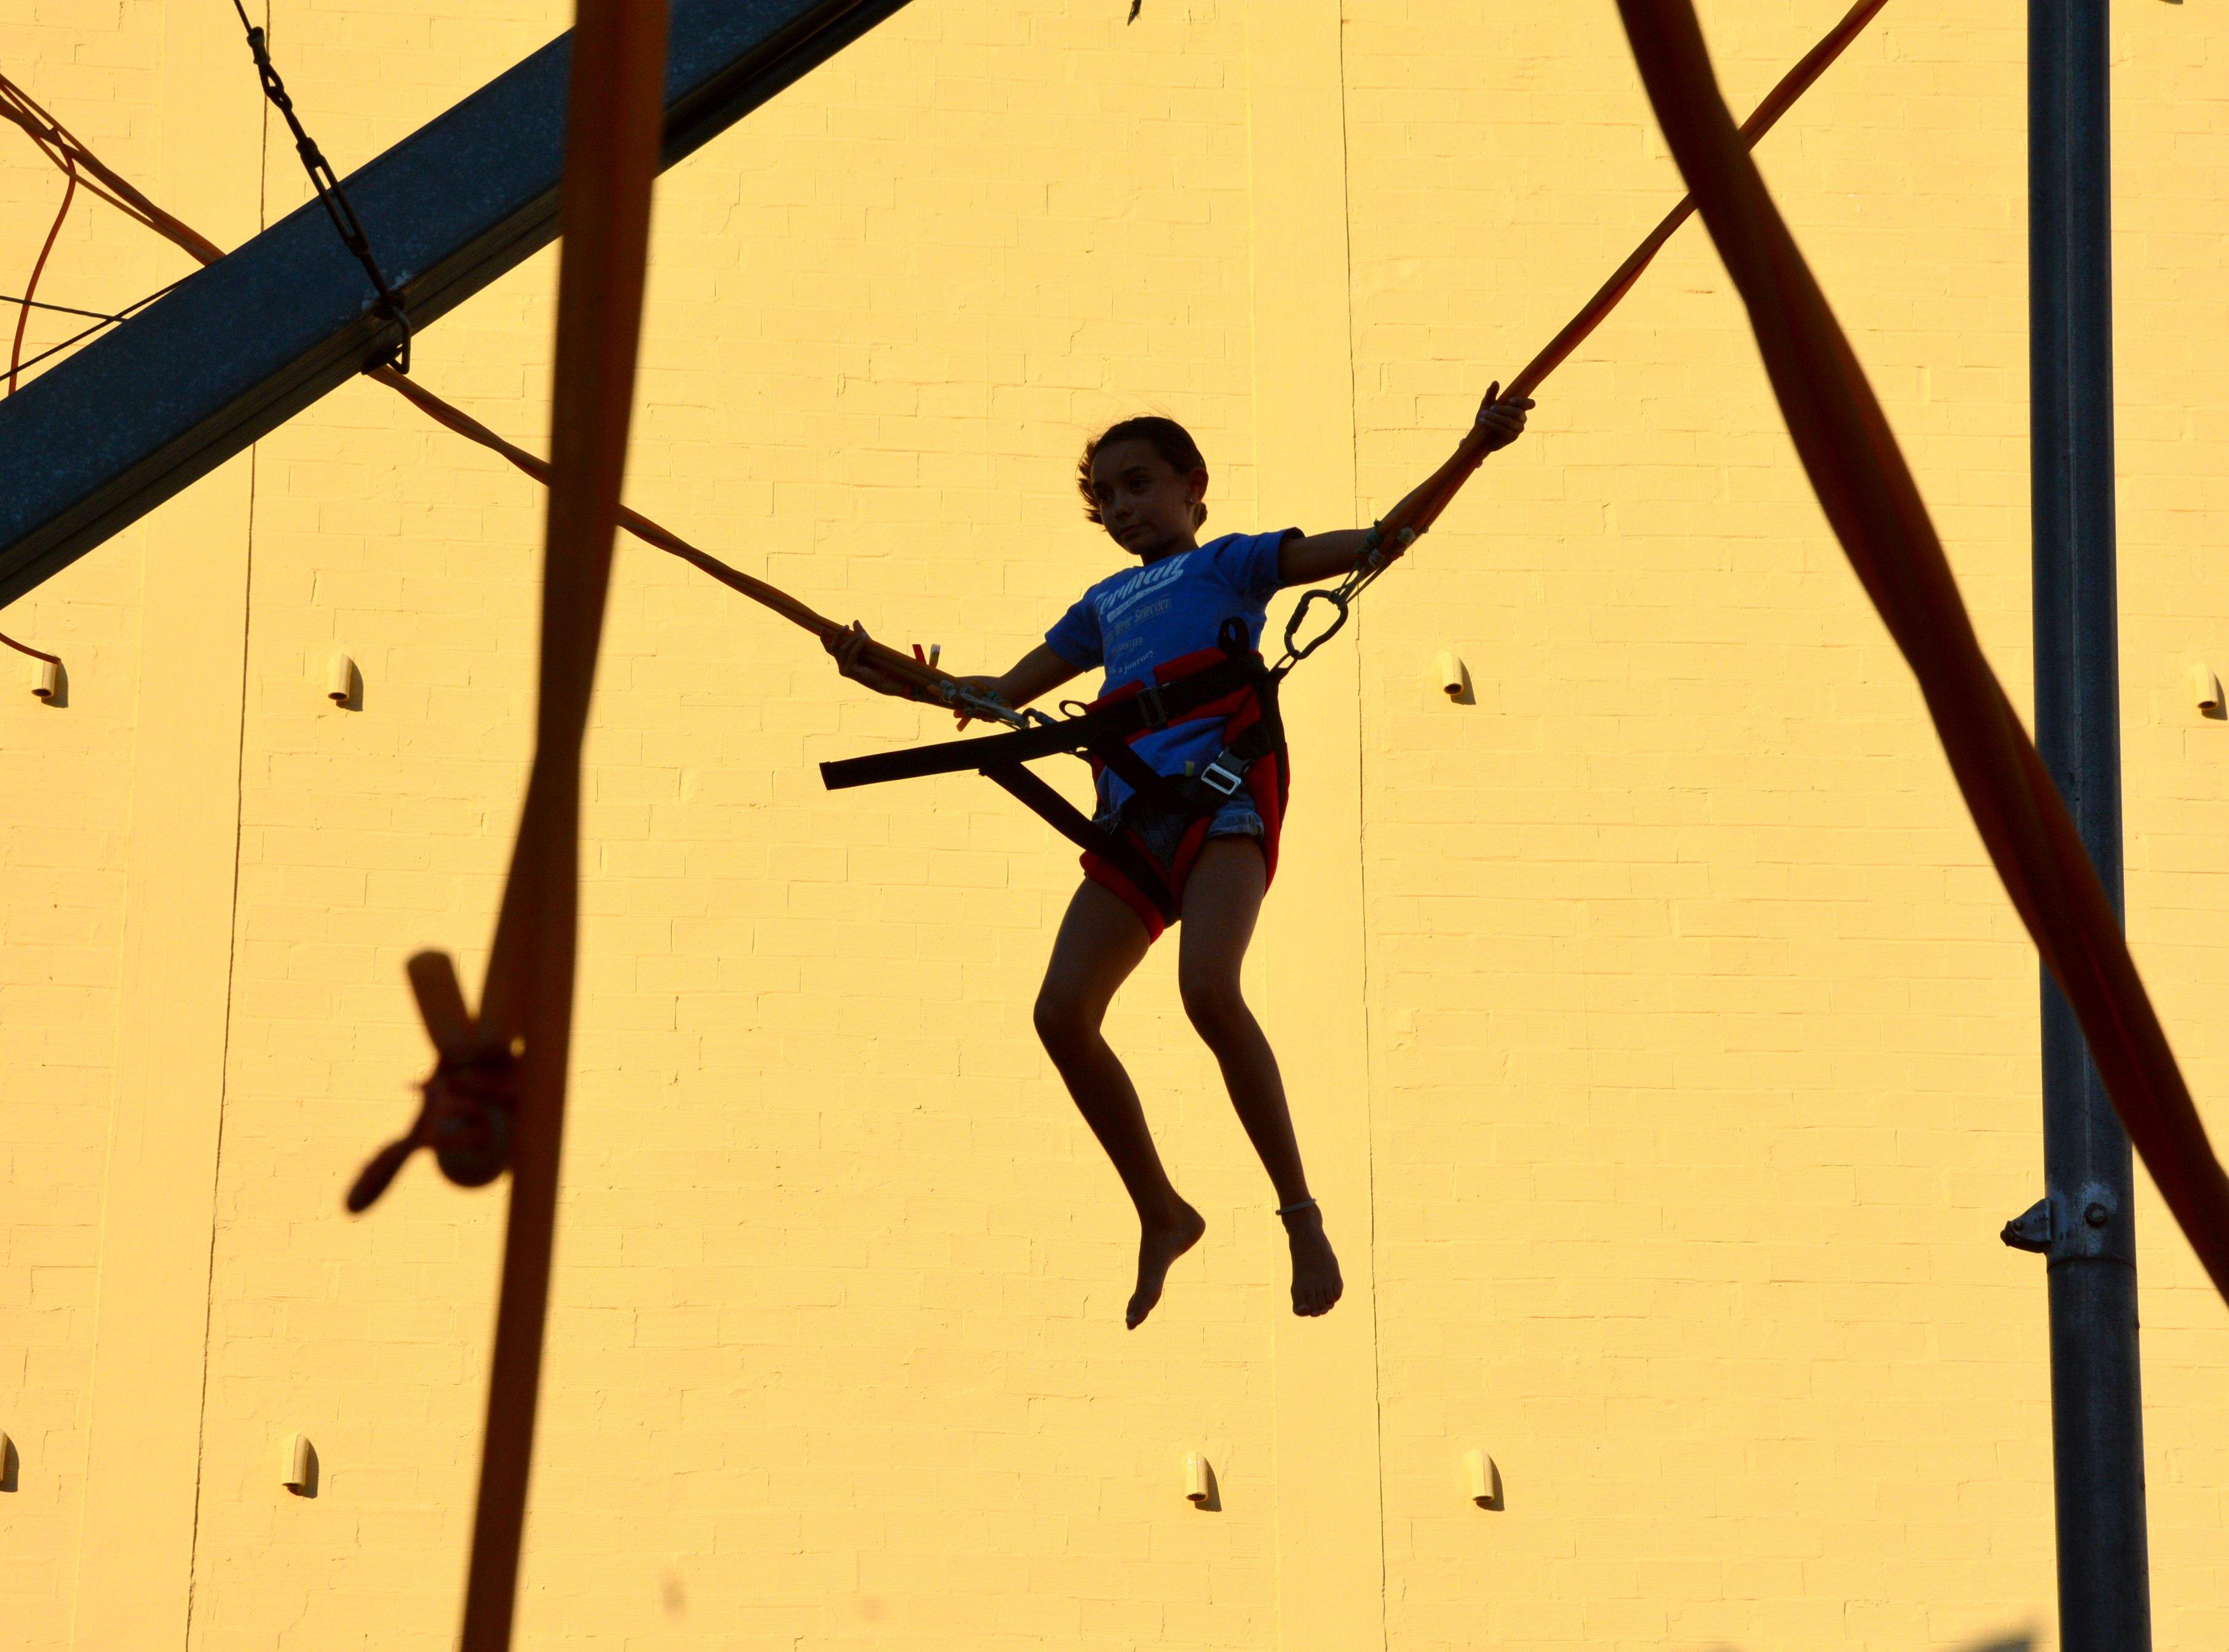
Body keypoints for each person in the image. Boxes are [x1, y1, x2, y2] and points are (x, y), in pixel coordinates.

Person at [829, 389, 1531, 1326]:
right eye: (1107, 498)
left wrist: (1471, 450)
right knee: (1059, 1014)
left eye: (1140, 485)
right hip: (1131, 820)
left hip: (1222, 793)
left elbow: (1376, 543)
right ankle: (1163, 1212)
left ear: (1193, 488)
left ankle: (1299, 1213)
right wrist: (889, 672)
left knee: (1208, 989)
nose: (1123, 508)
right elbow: (994, 694)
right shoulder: (1101, 605)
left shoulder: (1234, 563)